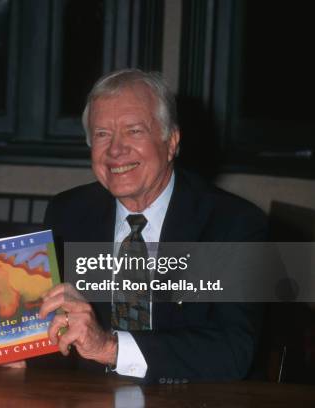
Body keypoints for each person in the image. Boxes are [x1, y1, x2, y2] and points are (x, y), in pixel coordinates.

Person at [39, 69, 267, 383]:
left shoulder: (233, 224)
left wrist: (111, 348)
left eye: (134, 131)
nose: (116, 150)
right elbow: (50, 324)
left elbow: (235, 351)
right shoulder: (67, 212)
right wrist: (15, 350)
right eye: (103, 134)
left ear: (171, 141)